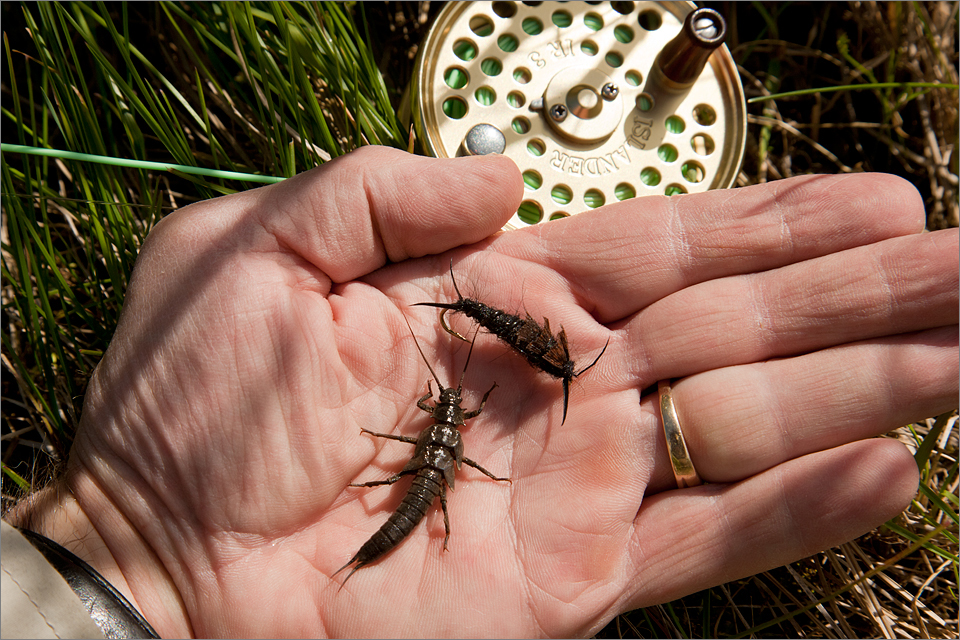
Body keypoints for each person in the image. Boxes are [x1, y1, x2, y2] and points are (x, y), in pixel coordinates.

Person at [3, 146, 957, 638]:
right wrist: (141, 545)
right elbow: (430, 449)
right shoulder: (445, 435)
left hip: (402, 500)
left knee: (421, 489)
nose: (447, 418)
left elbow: (427, 450)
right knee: (422, 490)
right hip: (406, 501)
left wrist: (125, 569)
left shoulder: (441, 437)